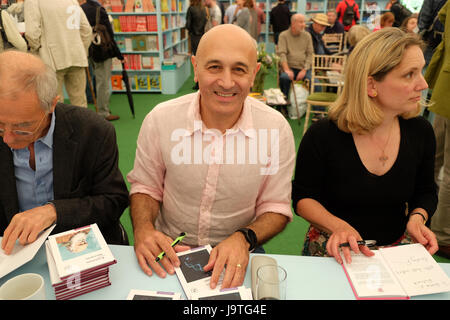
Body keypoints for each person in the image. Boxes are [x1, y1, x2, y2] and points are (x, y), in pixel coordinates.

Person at [127, 24, 295, 289]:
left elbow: (276, 207)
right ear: (195, 67)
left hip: (242, 248)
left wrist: (243, 239)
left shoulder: (276, 130)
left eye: (239, 69)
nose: (226, 82)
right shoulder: (161, 119)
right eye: (214, 67)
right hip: (168, 249)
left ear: (254, 74)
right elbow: (146, 187)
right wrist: (144, 229)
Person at [292, 28, 438, 264]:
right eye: (409, 74)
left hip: (397, 251)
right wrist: (338, 226)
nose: (423, 84)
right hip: (335, 251)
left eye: (420, 71)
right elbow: (303, 198)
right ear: (371, 85)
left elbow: (426, 191)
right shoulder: (323, 135)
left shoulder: (420, 131)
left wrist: (417, 218)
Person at [0, 51, 129, 255]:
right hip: (14, 252)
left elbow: (113, 201)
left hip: (82, 247)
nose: (7, 138)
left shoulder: (93, 132)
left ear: (51, 104)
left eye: (22, 127)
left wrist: (54, 211)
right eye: (0, 125)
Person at [25, 0, 92, 108]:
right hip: (77, 56)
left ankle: (59, 125)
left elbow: (32, 34)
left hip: (52, 59)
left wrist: (36, 51)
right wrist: (81, 49)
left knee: (55, 105)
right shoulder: (72, 1)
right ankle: (81, 125)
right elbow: (87, 30)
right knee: (80, 103)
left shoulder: (33, 1)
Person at [425, 1, 450, 259]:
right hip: (445, 90)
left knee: (433, 160)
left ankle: (419, 215)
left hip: (444, 88)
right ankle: (443, 235)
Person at [81, 0, 123, 121]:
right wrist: (119, 55)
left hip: (88, 49)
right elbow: (109, 35)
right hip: (102, 51)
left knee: (93, 80)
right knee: (103, 82)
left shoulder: (80, 8)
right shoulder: (99, 10)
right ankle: (103, 112)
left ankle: (97, 108)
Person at [277, 13, 313, 100]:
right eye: (301, 22)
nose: (304, 25)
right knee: (284, 78)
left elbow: (310, 54)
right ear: (293, 23)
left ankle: (318, 110)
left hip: (303, 68)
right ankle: (284, 104)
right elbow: (282, 54)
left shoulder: (307, 36)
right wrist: (287, 70)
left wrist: (304, 70)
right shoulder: (283, 35)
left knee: (314, 81)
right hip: (289, 67)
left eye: (304, 22)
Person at [418, 0, 446, 66]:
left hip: (430, 39)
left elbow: (424, 15)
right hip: (445, 45)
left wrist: (421, 31)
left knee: (422, 64)